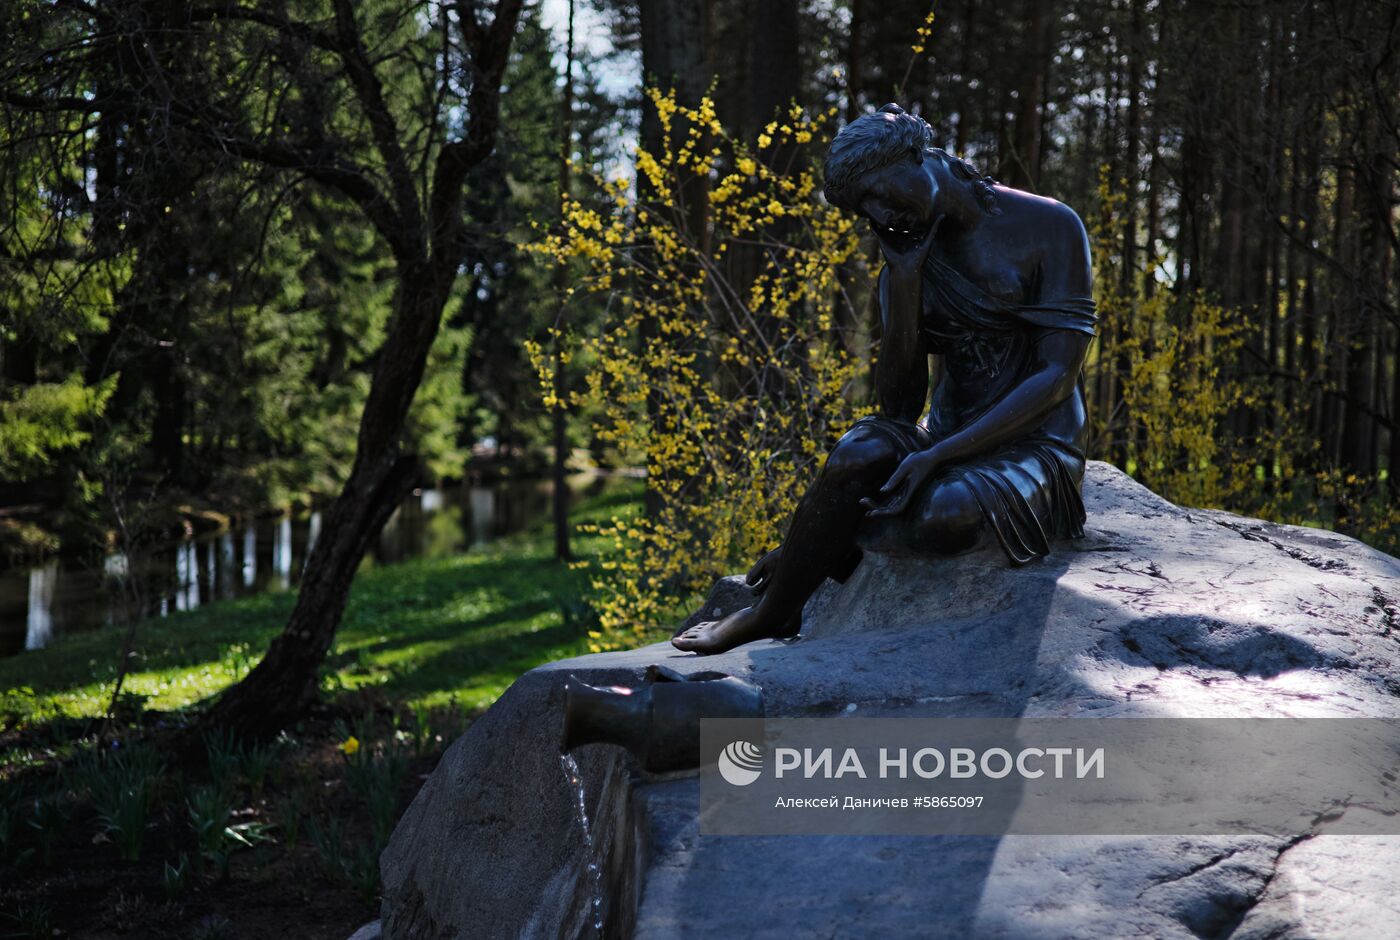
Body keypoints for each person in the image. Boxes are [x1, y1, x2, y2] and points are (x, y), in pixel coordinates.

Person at [673, 104, 1096, 655]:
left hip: (1037, 444)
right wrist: (904, 282)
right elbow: (898, 406)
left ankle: (823, 544)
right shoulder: (905, 256)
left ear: (917, 156)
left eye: (880, 191)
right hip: (941, 436)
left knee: (943, 516)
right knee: (857, 452)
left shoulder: (1049, 225)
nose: (878, 214)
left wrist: (934, 460)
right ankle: (773, 612)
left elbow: (1057, 375)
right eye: (862, 209)